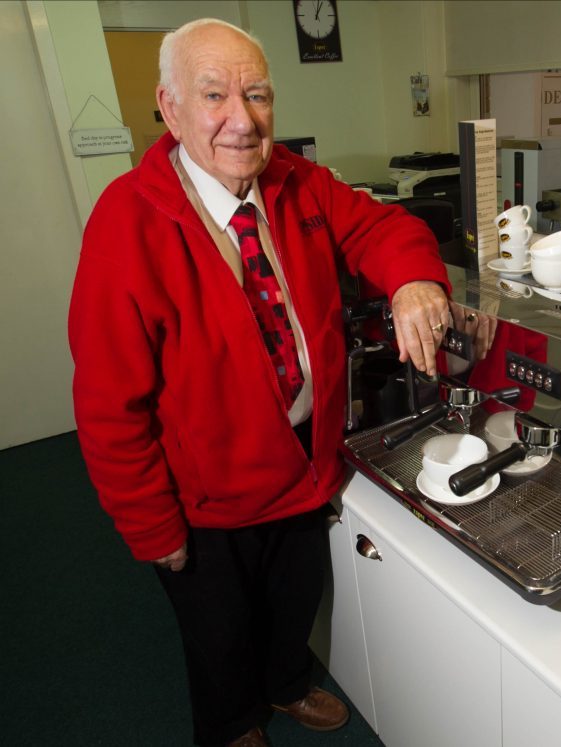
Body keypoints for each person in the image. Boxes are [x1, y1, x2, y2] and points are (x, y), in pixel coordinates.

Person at [68, 18, 451, 747]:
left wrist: (413, 283)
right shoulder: (125, 222)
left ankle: (285, 684)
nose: (241, 120)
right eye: (214, 95)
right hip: (205, 496)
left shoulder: (299, 181)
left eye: (257, 94)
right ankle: (231, 722)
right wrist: (150, 524)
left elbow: (382, 230)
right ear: (169, 106)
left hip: (306, 462)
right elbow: (108, 406)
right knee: (217, 631)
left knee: (291, 601)